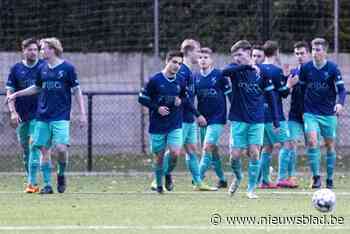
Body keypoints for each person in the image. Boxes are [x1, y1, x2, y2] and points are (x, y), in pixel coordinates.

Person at [7, 37, 87, 194]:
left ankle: (61, 174)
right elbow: (36, 88)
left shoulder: (68, 68)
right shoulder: (42, 70)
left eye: (43, 49)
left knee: (61, 149)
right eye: (40, 48)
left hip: (61, 116)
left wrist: (82, 113)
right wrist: (16, 94)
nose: (40, 51)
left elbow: (76, 90)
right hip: (42, 117)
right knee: (43, 150)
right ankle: (48, 185)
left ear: (53, 50)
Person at [222, 40, 280, 199]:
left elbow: (271, 97)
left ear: (249, 53)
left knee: (254, 153)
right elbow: (223, 72)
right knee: (234, 156)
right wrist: (247, 66)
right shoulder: (235, 69)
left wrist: (276, 121)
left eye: (240, 54)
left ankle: (250, 189)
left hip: (257, 119)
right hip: (238, 118)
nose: (237, 58)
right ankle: (238, 176)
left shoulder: (263, 73)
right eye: (235, 55)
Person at [139, 50, 195, 193]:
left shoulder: (180, 81)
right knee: (158, 157)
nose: (177, 66)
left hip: (175, 123)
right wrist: (157, 108)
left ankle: (167, 173)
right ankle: (159, 185)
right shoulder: (155, 80)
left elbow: (184, 97)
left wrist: (180, 101)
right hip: (157, 125)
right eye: (174, 62)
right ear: (167, 61)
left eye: (180, 64)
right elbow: (142, 98)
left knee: (175, 153)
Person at [299, 38, 346, 189]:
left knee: (329, 146)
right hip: (310, 113)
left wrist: (340, 103)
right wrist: (301, 110)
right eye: (313, 49)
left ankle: (330, 179)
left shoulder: (332, 69)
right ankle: (316, 177)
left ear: (325, 52)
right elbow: (301, 89)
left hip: (328, 114)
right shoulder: (306, 68)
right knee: (312, 142)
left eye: (318, 50)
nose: (315, 53)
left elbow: (342, 90)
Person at [6, 38, 45, 193]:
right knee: (25, 149)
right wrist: (13, 112)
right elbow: (10, 92)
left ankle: (31, 183)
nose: (33, 52)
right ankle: (32, 178)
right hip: (22, 115)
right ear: (24, 51)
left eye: (35, 49)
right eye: (29, 49)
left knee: (34, 145)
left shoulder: (43, 67)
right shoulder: (16, 69)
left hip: (40, 114)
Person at [258, 40, 298, 189]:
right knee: (287, 144)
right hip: (274, 115)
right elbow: (283, 93)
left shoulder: (258, 68)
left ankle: (265, 180)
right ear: (276, 52)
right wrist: (289, 85)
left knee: (267, 147)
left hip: (260, 114)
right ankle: (281, 178)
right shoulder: (276, 70)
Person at [195, 47, 231, 188]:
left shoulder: (220, 75)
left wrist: (235, 113)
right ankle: (222, 179)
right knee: (212, 149)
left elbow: (230, 95)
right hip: (203, 119)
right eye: (200, 58)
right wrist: (197, 115)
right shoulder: (195, 77)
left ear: (211, 60)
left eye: (205, 57)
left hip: (217, 118)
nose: (203, 60)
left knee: (207, 147)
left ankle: (197, 178)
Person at [283, 41, 311, 187]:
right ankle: (291, 177)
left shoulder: (314, 71)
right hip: (294, 114)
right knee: (292, 143)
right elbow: (285, 93)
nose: (299, 56)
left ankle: (315, 177)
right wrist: (287, 83)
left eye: (302, 53)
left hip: (311, 113)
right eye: (297, 53)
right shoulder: (293, 72)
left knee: (312, 145)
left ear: (308, 53)